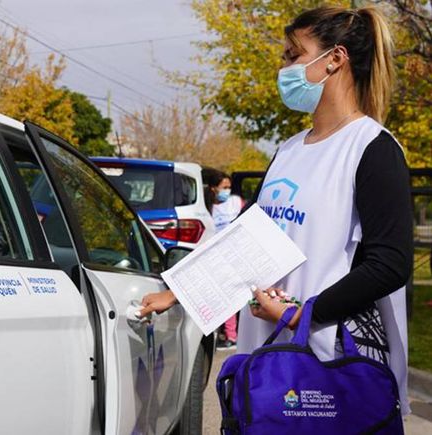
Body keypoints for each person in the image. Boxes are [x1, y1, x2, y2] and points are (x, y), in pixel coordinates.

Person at [139, 5, 413, 414]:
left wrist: (300, 314)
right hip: (267, 361)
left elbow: (390, 263)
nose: (283, 67)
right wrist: (178, 292)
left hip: (328, 367)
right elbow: (248, 242)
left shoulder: (372, 149)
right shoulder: (288, 151)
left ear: (334, 59)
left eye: (293, 54)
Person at [202, 168, 244, 349]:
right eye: (223, 187)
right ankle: (220, 333)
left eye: (229, 187)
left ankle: (232, 336)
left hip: (236, 252)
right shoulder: (206, 207)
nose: (227, 191)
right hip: (215, 255)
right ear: (213, 188)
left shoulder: (236, 202)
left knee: (230, 295)